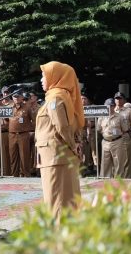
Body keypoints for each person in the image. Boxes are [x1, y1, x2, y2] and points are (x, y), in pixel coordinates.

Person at [36, 61, 83, 218]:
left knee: (56, 200)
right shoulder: (58, 96)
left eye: (44, 76)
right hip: (57, 156)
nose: (41, 80)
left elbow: (62, 127)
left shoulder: (55, 98)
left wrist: (73, 145)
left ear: (54, 77)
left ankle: (59, 235)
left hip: (56, 157)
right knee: (62, 198)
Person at [97, 98, 128, 178]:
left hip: (117, 141)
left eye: (111, 106)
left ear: (114, 106)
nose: (110, 107)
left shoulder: (120, 117)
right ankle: (104, 180)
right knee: (105, 163)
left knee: (118, 162)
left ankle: (118, 180)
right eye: (108, 106)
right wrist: (106, 134)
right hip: (105, 142)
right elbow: (98, 129)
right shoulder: (102, 117)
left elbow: (125, 129)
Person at [8, 92, 34, 177]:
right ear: (12, 98)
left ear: (21, 97)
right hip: (12, 134)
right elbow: (5, 120)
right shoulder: (9, 108)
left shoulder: (27, 107)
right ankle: (14, 175)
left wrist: (31, 130)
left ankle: (26, 174)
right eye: (14, 97)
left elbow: (33, 120)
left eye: (18, 97)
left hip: (23, 134)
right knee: (13, 156)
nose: (16, 99)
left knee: (24, 156)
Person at [114, 92, 131, 178]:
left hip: (124, 136)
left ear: (124, 100)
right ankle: (116, 177)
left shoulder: (128, 111)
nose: (118, 100)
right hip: (114, 138)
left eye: (120, 98)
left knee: (127, 158)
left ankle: (127, 178)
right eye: (117, 98)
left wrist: (128, 132)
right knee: (116, 158)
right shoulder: (112, 110)